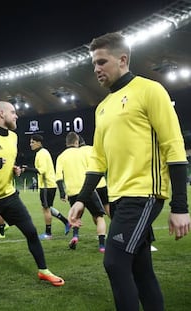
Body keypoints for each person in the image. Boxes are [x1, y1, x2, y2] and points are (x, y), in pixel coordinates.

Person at [68, 32, 190, 311]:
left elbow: (174, 145)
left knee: (114, 262)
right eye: (94, 64)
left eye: (102, 62)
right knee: (140, 269)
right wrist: (79, 199)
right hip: (120, 197)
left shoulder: (150, 90)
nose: (96, 69)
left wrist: (180, 206)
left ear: (122, 59)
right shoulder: (101, 108)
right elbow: (97, 160)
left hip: (144, 194)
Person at [0, 101, 64, 297]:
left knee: (32, 232)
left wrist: (14, 170)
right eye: (13, 112)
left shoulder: (14, 137)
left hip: (9, 196)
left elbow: (8, 163)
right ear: (1, 114)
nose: (16, 116)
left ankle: (43, 271)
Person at [55, 132, 107, 252]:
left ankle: (75, 236)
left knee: (75, 217)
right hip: (87, 190)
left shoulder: (61, 156)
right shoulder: (83, 152)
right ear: (77, 142)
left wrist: (62, 193)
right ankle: (102, 245)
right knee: (99, 217)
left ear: (66, 142)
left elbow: (58, 177)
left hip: (73, 192)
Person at [22, 134, 70, 240]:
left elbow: (42, 170)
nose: (31, 145)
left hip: (46, 186)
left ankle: (48, 234)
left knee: (46, 209)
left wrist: (27, 169)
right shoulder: (42, 153)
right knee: (47, 208)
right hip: (48, 185)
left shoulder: (42, 154)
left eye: (32, 142)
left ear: (38, 143)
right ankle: (66, 222)